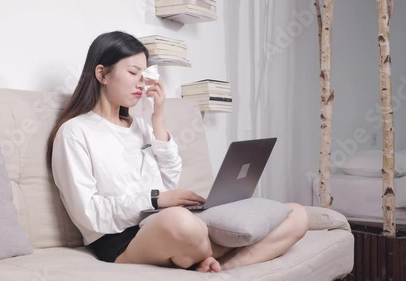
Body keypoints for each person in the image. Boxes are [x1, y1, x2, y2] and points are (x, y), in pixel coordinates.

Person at [47, 30, 309, 273]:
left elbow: (169, 179)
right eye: (133, 72)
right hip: (122, 237)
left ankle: (222, 265)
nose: (142, 82)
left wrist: (157, 118)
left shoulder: (140, 126)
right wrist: (155, 200)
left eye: (145, 74)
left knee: (296, 214)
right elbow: (89, 214)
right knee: (180, 222)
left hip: (165, 220)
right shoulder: (75, 132)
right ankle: (205, 249)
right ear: (102, 74)